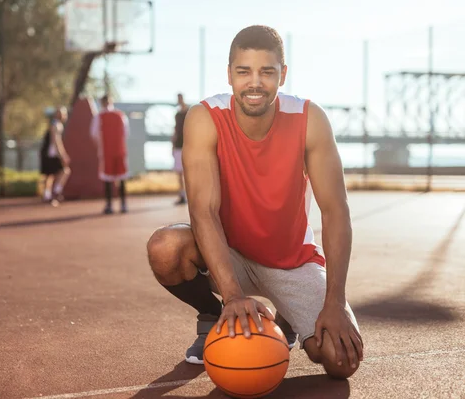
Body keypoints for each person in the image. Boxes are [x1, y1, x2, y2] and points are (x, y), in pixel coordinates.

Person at [146, 25, 363, 379]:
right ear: (230, 74)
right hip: (229, 257)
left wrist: (334, 301)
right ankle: (212, 317)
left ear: (283, 75)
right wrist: (231, 297)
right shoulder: (204, 119)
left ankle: (288, 316)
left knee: (342, 360)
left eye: (267, 71)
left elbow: (336, 213)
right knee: (165, 248)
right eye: (244, 71)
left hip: (292, 262)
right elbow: (203, 211)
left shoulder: (310, 120)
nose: (255, 82)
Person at [90, 94, 130, 214]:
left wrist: (100, 146)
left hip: (107, 151)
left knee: (108, 178)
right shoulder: (120, 115)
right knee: (121, 177)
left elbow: (94, 134)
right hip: (119, 150)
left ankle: (109, 205)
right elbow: (126, 133)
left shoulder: (99, 116)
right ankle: (123, 205)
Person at [39, 107, 71, 205]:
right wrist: (63, 155)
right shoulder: (56, 125)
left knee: (50, 175)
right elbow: (56, 141)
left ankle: (48, 195)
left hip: (48, 153)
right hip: (52, 154)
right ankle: (55, 193)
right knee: (64, 171)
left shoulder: (55, 124)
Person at [171, 93, 189, 205]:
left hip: (187, 145)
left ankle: (189, 195)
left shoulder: (189, 112)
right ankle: (182, 196)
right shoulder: (177, 114)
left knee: (188, 172)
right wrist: (172, 144)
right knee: (179, 173)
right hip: (178, 146)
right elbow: (175, 130)